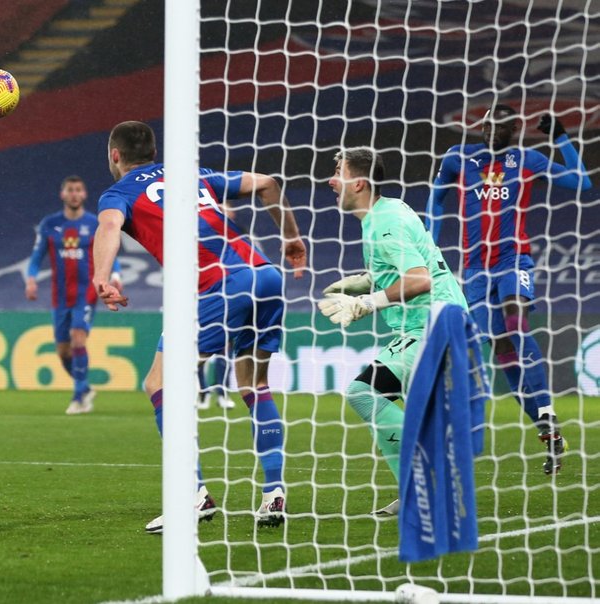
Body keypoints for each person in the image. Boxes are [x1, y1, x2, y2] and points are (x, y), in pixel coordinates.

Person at [92, 121, 307, 532]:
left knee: (159, 384)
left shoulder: (120, 192)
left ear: (114, 155)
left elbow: (107, 227)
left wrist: (103, 277)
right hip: (265, 275)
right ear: (153, 151)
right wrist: (291, 237)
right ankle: (274, 492)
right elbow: (267, 182)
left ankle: (192, 496)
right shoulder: (194, 175)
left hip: (218, 285)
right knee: (254, 385)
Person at [426, 105, 591, 475]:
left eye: (497, 126)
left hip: (514, 262)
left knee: (516, 325)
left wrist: (561, 139)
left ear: (514, 128)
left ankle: (547, 409)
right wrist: (429, 245)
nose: (489, 131)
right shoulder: (459, 158)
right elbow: (436, 198)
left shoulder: (528, 159)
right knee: (502, 351)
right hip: (475, 271)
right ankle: (548, 432)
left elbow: (582, 182)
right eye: (485, 125)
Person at [320, 147, 469, 517]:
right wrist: (363, 281)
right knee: (399, 403)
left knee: (363, 392)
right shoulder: (386, 212)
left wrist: (367, 303)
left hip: (434, 325)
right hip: (437, 323)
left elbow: (417, 279)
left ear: (358, 182)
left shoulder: (387, 222)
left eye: (338, 171)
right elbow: (403, 265)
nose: (330, 180)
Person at [25, 175, 122, 414]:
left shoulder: (94, 223)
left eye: (79, 190)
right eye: (70, 190)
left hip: (86, 292)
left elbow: (110, 251)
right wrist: (31, 279)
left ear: (84, 194)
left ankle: (79, 397)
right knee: (63, 351)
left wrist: (116, 275)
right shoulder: (50, 224)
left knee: (78, 337)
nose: (75, 194)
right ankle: (85, 387)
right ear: (63, 194)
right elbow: (37, 256)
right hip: (60, 297)